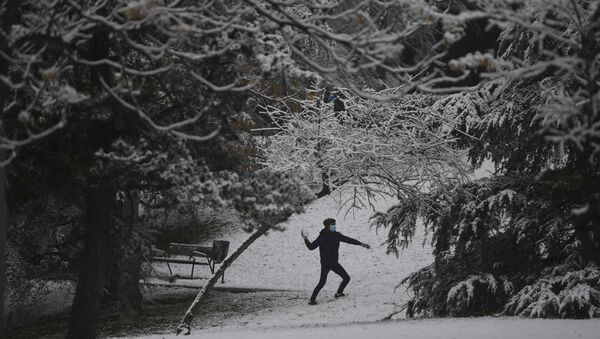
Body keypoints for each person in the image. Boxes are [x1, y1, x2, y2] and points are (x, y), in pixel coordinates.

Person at [301, 218, 370, 305]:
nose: (334, 226)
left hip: (332, 263)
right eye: (332, 225)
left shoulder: (336, 235)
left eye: (334, 224)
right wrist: (305, 239)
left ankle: (337, 293)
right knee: (324, 282)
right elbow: (311, 247)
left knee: (345, 278)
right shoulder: (322, 237)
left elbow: (348, 240)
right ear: (327, 226)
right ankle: (313, 299)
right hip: (327, 264)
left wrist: (361, 244)